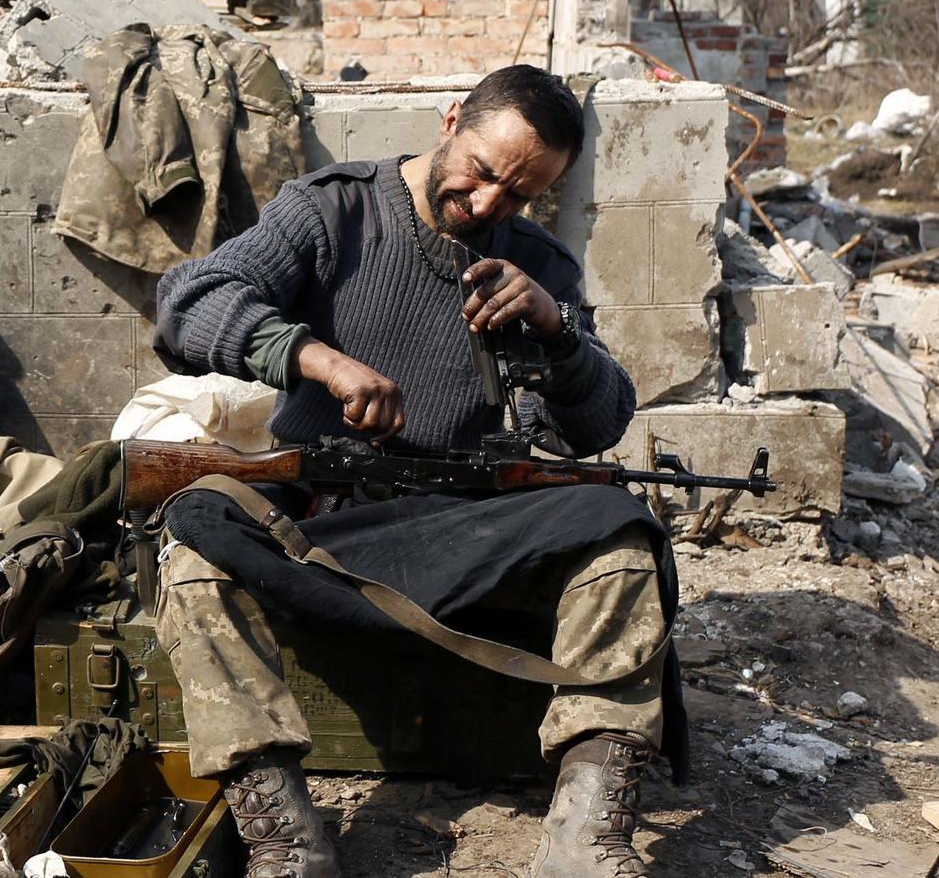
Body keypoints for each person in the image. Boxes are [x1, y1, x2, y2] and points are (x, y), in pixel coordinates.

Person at [150, 65, 677, 878]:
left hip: (458, 520)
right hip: (320, 510)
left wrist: (558, 333)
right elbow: (189, 299)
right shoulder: (332, 210)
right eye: (485, 170)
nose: (491, 202)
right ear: (450, 118)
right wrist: (319, 361)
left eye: (521, 194)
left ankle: (583, 839)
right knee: (194, 553)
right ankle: (288, 841)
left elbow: (597, 423)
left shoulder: (537, 265)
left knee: (620, 543)